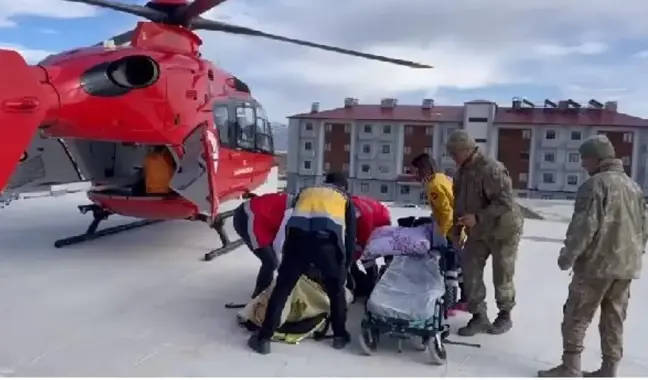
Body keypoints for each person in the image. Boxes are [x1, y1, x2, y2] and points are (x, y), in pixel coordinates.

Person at [537, 135, 648, 377]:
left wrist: (567, 257)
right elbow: (644, 227)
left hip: (596, 266)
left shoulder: (595, 185)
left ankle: (571, 368)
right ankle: (609, 369)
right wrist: (635, 254)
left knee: (576, 316)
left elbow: (583, 228)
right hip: (626, 266)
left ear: (596, 158)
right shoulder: (634, 186)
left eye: (585, 159)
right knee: (614, 319)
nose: (583, 165)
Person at [247, 172, 357, 354]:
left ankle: (264, 339)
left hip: (297, 241)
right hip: (327, 244)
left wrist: (284, 254)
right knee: (336, 292)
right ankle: (339, 336)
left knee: (282, 290)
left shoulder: (305, 191)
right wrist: (344, 267)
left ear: (326, 182)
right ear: (343, 186)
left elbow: (287, 221)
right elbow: (350, 238)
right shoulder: (344, 198)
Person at [446, 130, 524, 336]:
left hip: (503, 229)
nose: (453, 158)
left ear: (467, 150)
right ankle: (479, 316)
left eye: (455, 153)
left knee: (502, 274)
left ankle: (504, 315)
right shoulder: (461, 173)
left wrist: (478, 217)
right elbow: (459, 204)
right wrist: (456, 229)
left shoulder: (492, 169)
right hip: (478, 231)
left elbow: (506, 202)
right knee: (470, 270)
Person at [410, 153, 467, 314]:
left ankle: (449, 306)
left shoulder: (433, 186)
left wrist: (446, 235)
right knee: (460, 266)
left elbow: (447, 212)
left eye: (415, 171)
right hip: (460, 227)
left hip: (452, 230)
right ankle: (466, 299)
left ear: (423, 170)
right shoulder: (442, 178)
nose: (413, 175)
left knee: (450, 268)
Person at [232, 191, 294, 298]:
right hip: (249, 217)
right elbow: (279, 243)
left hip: (263, 219)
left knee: (274, 261)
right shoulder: (292, 213)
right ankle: (259, 297)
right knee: (271, 262)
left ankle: (265, 291)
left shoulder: (301, 205)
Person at [349, 195, 392, 297]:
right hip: (370, 213)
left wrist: (355, 255)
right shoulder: (347, 206)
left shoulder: (364, 218)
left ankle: (370, 281)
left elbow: (364, 241)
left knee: (366, 253)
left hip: (381, 221)